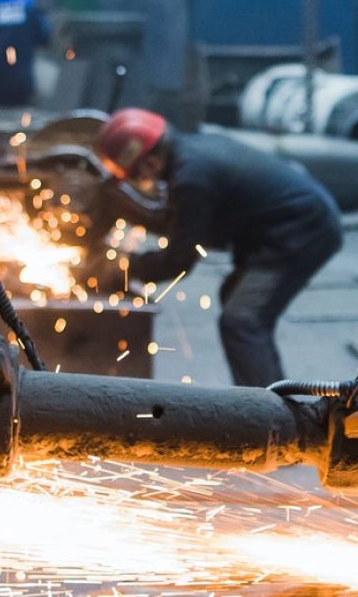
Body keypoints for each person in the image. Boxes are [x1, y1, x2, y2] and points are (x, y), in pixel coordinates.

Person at [94, 108, 343, 388]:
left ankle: (267, 416)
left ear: (149, 164)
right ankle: (275, 392)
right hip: (291, 224)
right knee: (238, 301)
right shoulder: (191, 152)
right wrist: (122, 210)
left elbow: (178, 261)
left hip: (302, 231)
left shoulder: (192, 179)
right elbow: (183, 222)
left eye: (135, 177)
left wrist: (122, 268)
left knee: (242, 321)